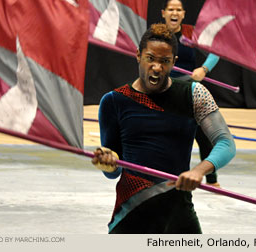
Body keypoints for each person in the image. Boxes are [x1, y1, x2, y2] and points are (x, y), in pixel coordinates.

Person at [92, 23, 236, 234]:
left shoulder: (194, 93)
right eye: (150, 58)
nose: (157, 67)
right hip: (131, 214)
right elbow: (114, 172)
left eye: (164, 61)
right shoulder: (113, 101)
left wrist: (198, 171)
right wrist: (108, 164)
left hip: (179, 215)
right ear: (138, 55)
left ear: (174, 63)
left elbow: (226, 143)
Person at [161, 0, 221, 186]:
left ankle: (212, 180)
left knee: (204, 136)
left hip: (190, 90)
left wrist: (203, 69)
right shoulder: (156, 34)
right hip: (164, 92)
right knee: (169, 137)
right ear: (164, 13)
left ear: (184, 14)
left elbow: (216, 51)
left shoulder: (191, 32)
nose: (175, 13)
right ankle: (170, 176)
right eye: (171, 9)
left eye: (178, 10)